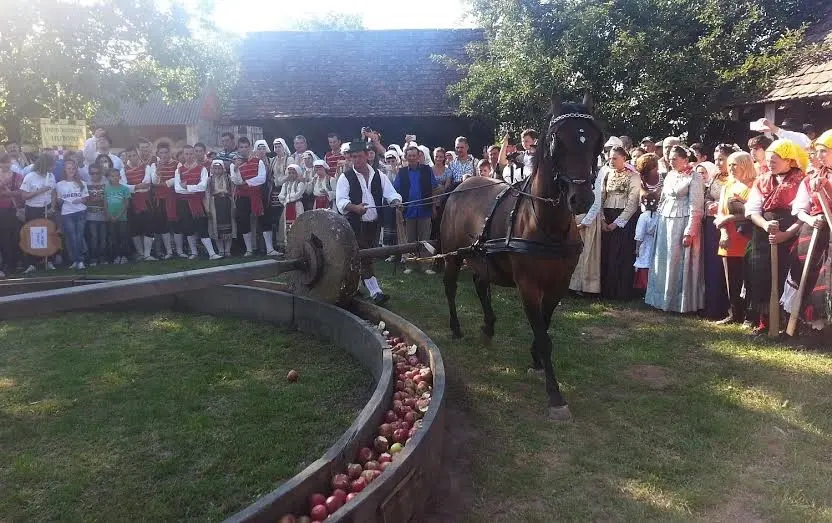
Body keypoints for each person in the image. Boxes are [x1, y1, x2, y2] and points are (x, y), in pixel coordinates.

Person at [744, 139, 806, 334]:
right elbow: (752, 210)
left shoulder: (801, 180)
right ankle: (766, 323)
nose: (770, 163)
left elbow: (804, 212)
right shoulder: (762, 180)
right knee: (762, 276)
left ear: (788, 160)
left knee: (787, 277)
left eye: (775, 160)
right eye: (769, 159)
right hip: (764, 236)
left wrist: (786, 234)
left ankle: (788, 325)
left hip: (791, 235)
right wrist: (765, 225)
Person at [336, 141, 402, 305]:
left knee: (363, 257)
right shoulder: (346, 177)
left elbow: (391, 193)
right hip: (354, 224)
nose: (356, 160)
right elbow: (341, 201)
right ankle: (376, 292)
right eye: (353, 157)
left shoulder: (379, 175)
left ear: (367, 155)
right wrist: (355, 207)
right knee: (365, 257)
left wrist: (396, 201)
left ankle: (353, 286)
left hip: (374, 224)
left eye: (359, 156)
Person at [780, 130, 832, 335]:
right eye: (818, 151)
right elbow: (800, 209)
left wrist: (827, 188)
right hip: (814, 232)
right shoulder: (811, 179)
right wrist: (812, 219)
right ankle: (811, 327)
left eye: (824, 151)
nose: (819, 156)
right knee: (807, 275)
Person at [645, 145, 705, 313]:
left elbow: (696, 206)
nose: (671, 162)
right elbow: (663, 199)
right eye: (670, 159)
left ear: (685, 159)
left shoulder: (694, 177)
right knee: (663, 258)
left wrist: (690, 231)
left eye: (675, 159)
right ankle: (661, 299)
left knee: (678, 260)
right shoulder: (670, 175)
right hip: (665, 221)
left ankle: (680, 302)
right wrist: (657, 221)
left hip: (682, 222)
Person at [713, 150, 756, 325]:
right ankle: (734, 313)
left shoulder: (754, 185)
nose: (731, 168)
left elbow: (752, 212)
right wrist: (724, 232)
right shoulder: (727, 186)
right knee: (731, 278)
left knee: (749, 278)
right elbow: (720, 214)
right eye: (729, 164)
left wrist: (728, 218)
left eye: (735, 164)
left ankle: (750, 316)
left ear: (745, 165)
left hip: (746, 237)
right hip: (728, 238)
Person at [596, 146, 642, 300]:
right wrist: (602, 219)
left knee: (621, 254)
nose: (611, 161)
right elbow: (601, 198)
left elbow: (632, 203)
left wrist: (616, 223)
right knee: (606, 254)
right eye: (610, 158)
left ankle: (621, 292)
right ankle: (606, 290)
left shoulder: (633, 176)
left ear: (624, 159)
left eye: (615, 158)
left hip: (625, 220)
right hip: (607, 215)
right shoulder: (607, 175)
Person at [700, 145, 734, 320]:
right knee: (712, 264)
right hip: (711, 224)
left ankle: (728, 308)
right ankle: (712, 306)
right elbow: (707, 196)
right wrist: (708, 205)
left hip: (729, 224)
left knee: (725, 266)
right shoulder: (715, 177)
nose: (718, 163)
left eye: (721, 159)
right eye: (716, 159)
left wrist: (720, 206)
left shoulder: (735, 178)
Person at [394, 146, 439, 275]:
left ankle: (426, 266)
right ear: (406, 157)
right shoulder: (401, 172)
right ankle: (411, 265)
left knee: (425, 240)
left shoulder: (427, 170)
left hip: (425, 209)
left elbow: (434, 188)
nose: (412, 158)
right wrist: (398, 203)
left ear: (419, 156)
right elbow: (395, 190)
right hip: (409, 211)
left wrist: (433, 207)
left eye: (414, 155)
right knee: (410, 240)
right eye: (410, 156)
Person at [174, 145, 219, 260]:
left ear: (194, 154)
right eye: (186, 154)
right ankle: (194, 252)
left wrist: (187, 187)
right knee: (189, 228)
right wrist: (194, 188)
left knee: (202, 227)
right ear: (183, 155)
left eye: (191, 154)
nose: (189, 156)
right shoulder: (179, 170)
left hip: (198, 203)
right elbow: (177, 189)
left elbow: (203, 186)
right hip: (184, 203)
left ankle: (212, 253)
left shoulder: (202, 169)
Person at [20, 152, 57, 273]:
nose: (53, 168)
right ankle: (32, 263)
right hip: (33, 209)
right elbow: (24, 196)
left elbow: (53, 193)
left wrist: (53, 207)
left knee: (49, 234)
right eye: (51, 165)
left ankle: (49, 260)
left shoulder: (51, 176)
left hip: (47, 207)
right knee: (34, 235)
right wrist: (40, 191)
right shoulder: (30, 177)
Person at [230, 137, 266, 256]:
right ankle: (249, 249)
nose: (244, 149)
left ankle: (263, 247)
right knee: (244, 222)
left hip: (256, 195)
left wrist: (246, 182)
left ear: (250, 147)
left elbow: (262, 178)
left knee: (260, 220)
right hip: (242, 196)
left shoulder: (258, 161)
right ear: (238, 148)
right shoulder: (234, 164)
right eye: (241, 147)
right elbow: (236, 181)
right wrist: (236, 169)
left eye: (246, 147)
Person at [56, 158, 89, 269]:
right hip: (67, 213)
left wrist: (80, 200)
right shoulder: (59, 184)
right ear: (64, 170)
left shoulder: (82, 183)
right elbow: (59, 200)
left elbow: (85, 198)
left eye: (73, 168)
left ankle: (81, 260)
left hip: (80, 211)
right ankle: (75, 260)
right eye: (69, 168)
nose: (71, 171)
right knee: (72, 237)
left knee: (79, 236)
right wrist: (60, 200)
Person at [124, 147, 155, 261]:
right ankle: (140, 253)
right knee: (135, 228)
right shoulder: (124, 169)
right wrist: (137, 186)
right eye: (129, 156)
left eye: (134, 155)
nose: (132, 158)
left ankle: (147, 254)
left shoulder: (146, 167)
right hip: (132, 201)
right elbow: (124, 186)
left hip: (146, 200)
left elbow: (147, 182)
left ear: (138, 155)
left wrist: (133, 187)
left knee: (148, 226)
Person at [150, 142, 179, 259]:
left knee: (175, 224)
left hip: (174, 198)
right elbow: (154, 181)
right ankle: (169, 251)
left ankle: (179, 250)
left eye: (166, 152)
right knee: (163, 225)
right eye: (161, 153)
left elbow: (177, 178)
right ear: (158, 153)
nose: (164, 155)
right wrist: (158, 172)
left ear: (170, 152)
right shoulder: (154, 165)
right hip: (160, 199)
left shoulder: (177, 164)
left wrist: (165, 183)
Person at [206, 159, 236, 257]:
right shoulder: (210, 180)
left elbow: (233, 191)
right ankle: (220, 250)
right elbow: (207, 193)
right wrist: (208, 208)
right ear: (212, 169)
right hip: (215, 205)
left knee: (229, 227)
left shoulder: (228, 178)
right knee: (217, 228)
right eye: (215, 168)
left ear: (223, 169)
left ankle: (227, 250)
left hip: (227, 204)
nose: (217, 170)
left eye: (219, 168)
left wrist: (234, 204)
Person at [0, 154, 23, 276]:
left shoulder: (17, 176)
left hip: (14, 209)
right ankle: (7, 263)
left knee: (15, 236)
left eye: (8, 162)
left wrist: (9, 193)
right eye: (3, 162)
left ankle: (14, 263)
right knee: (4, 237)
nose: (6, 165)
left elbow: (21, 192)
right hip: (1, 210)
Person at [633, 192, 660, 294]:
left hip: (645, 243)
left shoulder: (643, 216)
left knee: (644, 263)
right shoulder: (659, 216)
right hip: (655, 242)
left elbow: (639, 234)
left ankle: (644, 288)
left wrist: (637, 248)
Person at [104, 168, 131, 264]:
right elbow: (105, 203)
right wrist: (109, 215)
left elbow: (126, 204)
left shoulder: (124, 189)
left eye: (116, 176)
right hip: (111, 218)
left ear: (120, 177)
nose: (115, 178)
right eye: (112, 176)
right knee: (114, 238)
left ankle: (124, 256)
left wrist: (118, 215)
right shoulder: (107, 189)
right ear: (109, 178)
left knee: (123, 237)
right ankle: (117, 256)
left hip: (122, 218)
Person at [85, 163, 108, 266]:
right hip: (90, 216)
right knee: (93, 238)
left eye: (97, 173)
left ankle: (103, 258)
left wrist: (95, 199)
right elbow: (85, 200)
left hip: (104, 215)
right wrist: (98, 199)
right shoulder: (85, 184)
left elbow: (108, 198)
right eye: (92, 173)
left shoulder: (106, 183)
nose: (94, 175)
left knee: (103, 238)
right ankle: (93, 258)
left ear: (101, 173)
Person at [279, 164, 306, 234]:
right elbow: (280, 196)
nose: (291, 175)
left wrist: (287, 198)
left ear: (297, 174)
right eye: (289, 173)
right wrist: (285, 201)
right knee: (287, 226)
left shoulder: (300, 183)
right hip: (287, 206)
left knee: (298, 224)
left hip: (297, 205)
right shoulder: (285, 184)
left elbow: (297, 195)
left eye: (293, 173)